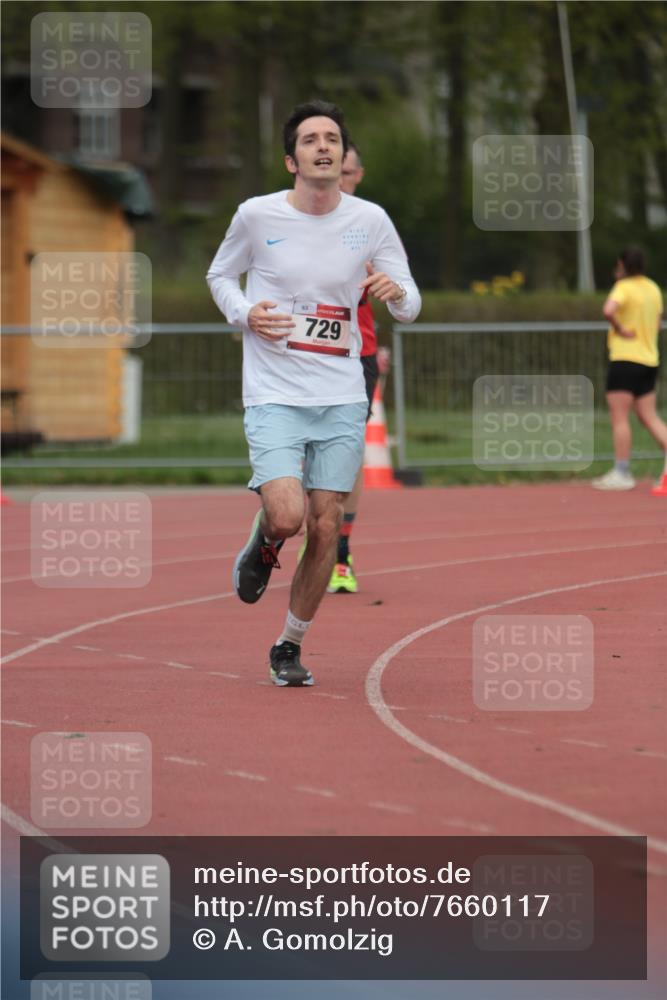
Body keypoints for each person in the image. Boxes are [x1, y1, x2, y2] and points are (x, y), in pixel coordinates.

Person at [206, 100, 421, 686]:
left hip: (341, 394)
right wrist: (248, 313)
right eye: (309, 139)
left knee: (327, 524)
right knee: (289, 515)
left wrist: (393, 291)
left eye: (331, 138)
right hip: (274, 392)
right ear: (291, 159)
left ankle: (289, 644)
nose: (322, 146)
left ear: (341, 154)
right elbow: (219, 276)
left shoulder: (370, 220)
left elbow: (410, 303)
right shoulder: (256, 215)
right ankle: (265, 539)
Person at [328, 141, 378, 594]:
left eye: (345, 172)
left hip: (356, 354)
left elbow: (396, 282)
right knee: (305, 453)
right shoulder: (296, 217)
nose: (336, 178)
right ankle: (310, 532)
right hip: (303, 354)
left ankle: (340, 554)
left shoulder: (369, 223)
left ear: (357, 175)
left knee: (350, 452)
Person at [593, 245, 666, 491]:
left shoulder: (623, 288)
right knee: (649, 416)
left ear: (622, 265)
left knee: (620, 417)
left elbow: (608, 310)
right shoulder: (653, 289)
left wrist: (620, 328)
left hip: (625, 358)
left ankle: (622, 472)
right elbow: (657, 324)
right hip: (649, 360)